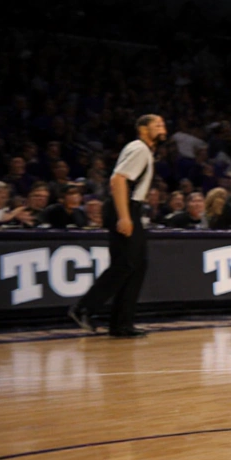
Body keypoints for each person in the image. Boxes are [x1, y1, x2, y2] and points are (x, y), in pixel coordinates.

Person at [69, 115, 167, 338]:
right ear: (143, 129)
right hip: (124, 207)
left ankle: (121, 323)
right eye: (157, 125)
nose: (163, 128)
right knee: (125, 264)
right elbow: (118, 179)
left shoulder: (144, 150)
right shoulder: (139, 148)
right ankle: (84, 308)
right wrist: (124, 216)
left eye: (163, 124)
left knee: (137, 265)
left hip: (131, 207)